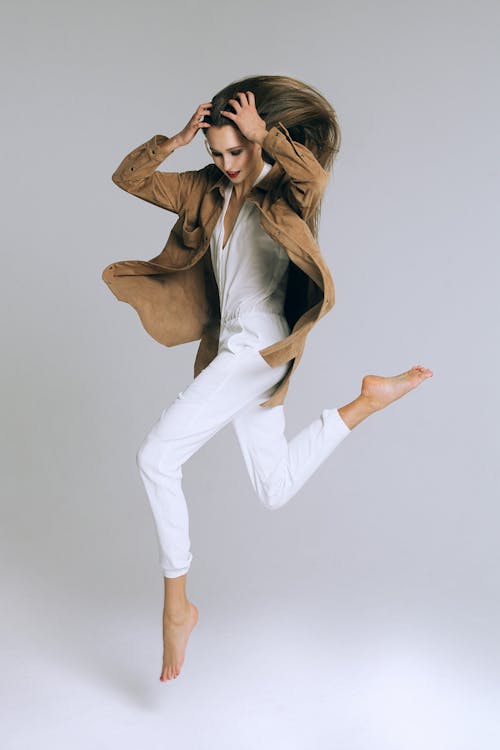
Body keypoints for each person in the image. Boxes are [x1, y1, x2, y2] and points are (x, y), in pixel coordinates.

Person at [104, 76, 433, 683]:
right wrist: (175, 141)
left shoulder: (284, 190)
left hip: (260, 348)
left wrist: (267, 138)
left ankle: (177, 606)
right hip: (236, 350)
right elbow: (129, 178)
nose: (228, 164)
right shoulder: (205, 191)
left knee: (155, 457)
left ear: (256, 140)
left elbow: (317, 178)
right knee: (274, 485)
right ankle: (365, 402)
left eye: (237, 150)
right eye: (217, 153)